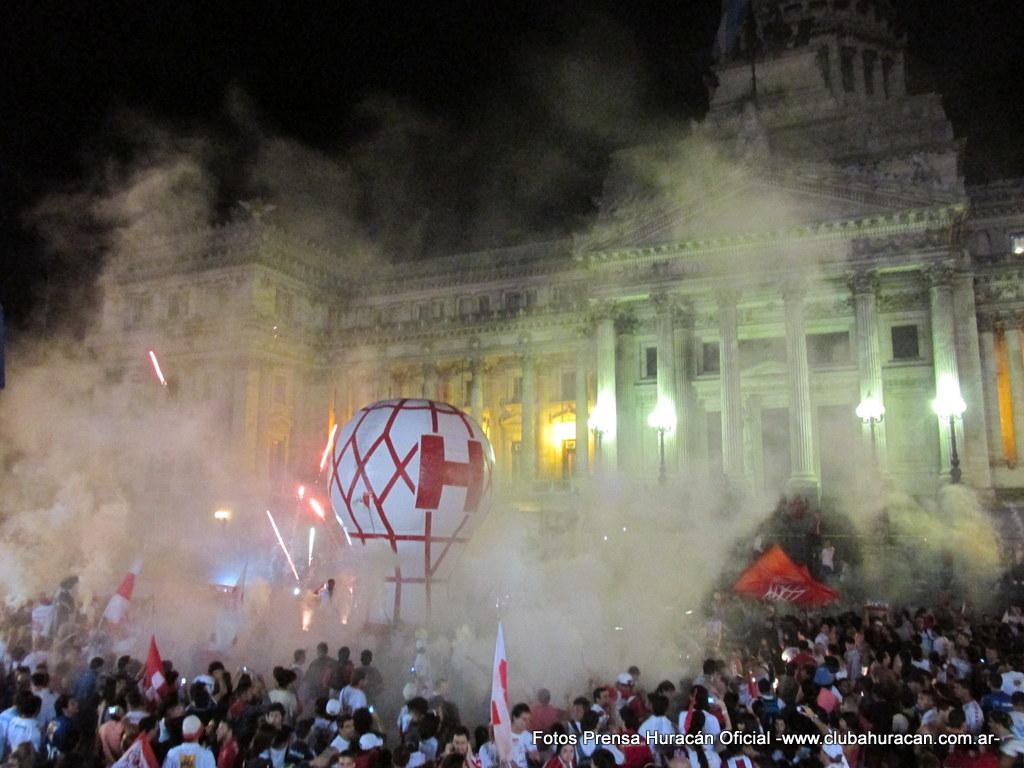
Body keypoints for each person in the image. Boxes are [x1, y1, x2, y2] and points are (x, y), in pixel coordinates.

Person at [509, 704, 539, 768]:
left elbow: (535, 755)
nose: (527, 722)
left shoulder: (529, 736)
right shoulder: (503, 735)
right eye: (524, 719)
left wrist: (534, 756)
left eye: (529, 720)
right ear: (514, 718)